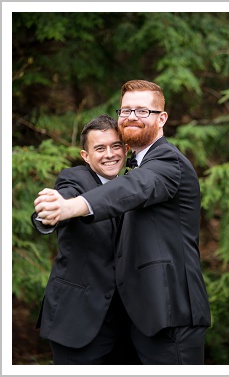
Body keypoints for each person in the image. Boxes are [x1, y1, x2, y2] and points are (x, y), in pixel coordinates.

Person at [34, 80, 211, 364]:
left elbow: (135, 189)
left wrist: (73, 207)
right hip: (129, 321)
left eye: (143, 111)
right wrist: (51, 210)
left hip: (170, 312)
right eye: (126, 110)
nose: (131, 117)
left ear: (162, 118)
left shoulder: (167, 162)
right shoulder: (90, 175)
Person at [30, 114, 140, 364]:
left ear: (125, 149)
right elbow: (62, 200)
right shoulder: (75, 180)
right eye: (99, 148)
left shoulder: (136, 186)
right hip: (77, 320)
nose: (109, 154)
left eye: (115, 146)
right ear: (85, 156)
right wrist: (49, 213)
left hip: (127, 326)